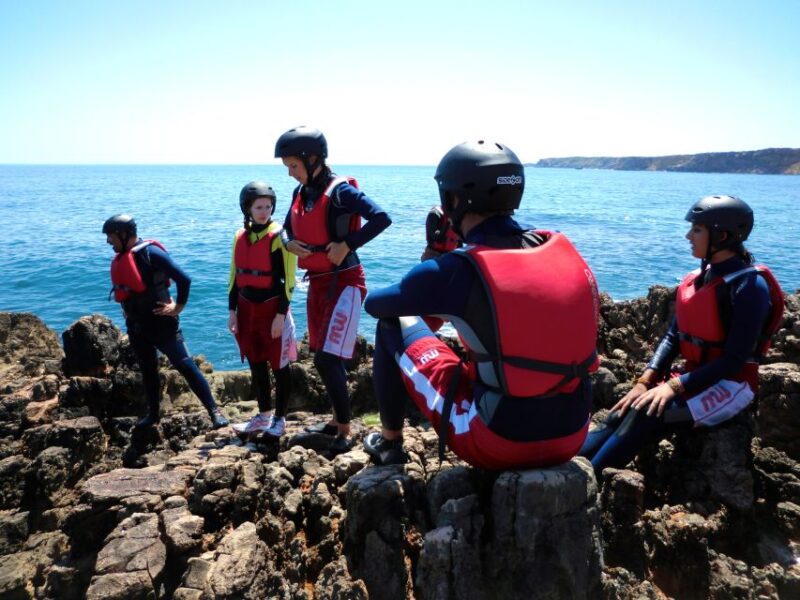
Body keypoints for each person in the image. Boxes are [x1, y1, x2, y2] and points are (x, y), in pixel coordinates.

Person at [362, 140, 600, 469]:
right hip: (572, 434)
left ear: (453, 199)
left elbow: (377, 304)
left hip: (500, 441)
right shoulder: (556, 248)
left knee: (392, 324)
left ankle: (390, 444)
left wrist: (434, 261)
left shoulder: (456, 269)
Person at [579, 195, 785, 472]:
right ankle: (567, 465)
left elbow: (733, 361)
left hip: (731, 386)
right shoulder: (699, 279)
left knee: (647, 413)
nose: (688, 236)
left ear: (722, 236)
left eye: (696, 230)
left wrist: (672, 387)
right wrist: (645, 381)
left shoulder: (750, 288)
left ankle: (588, 479)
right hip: (695, 375)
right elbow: (673, 336)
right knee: (624, 409)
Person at [274, 126, 391, 453]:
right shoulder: (301, 192)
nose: (290, 173)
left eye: (293, 166)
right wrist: (289, 243)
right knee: (322, 356)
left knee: (327, 358)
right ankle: (337, 421)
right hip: (318, 283)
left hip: (346, 282)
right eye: (287, 167)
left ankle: (344, 431)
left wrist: (348, 243)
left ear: (313, 159)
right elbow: (284, 230)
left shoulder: (340, 192)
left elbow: (381, 218)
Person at [103, 214, 229, 429]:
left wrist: (178, 307)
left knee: (185, 365)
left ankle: (214, 412)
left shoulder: (151, 253)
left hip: (162, 324)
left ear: (124, 235)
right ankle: (153, 415)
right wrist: (127, 311)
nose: (108, 241)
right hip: (136, 326)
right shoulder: (122, 257)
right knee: (148, 370)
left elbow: (184, 279)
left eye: (111, 236)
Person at [228, 182, 298, 438]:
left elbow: (290, 280)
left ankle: (279, 419)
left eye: (268, 206)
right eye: (258, 207)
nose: (264, 211)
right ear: (247, 208)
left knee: (280, 366)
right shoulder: (239, 236)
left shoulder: (281, 236)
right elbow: (234, 277)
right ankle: (263, 415)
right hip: (247, 310)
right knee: (256, 364)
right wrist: (232, 311)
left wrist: (281, 316)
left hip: (273, 310)